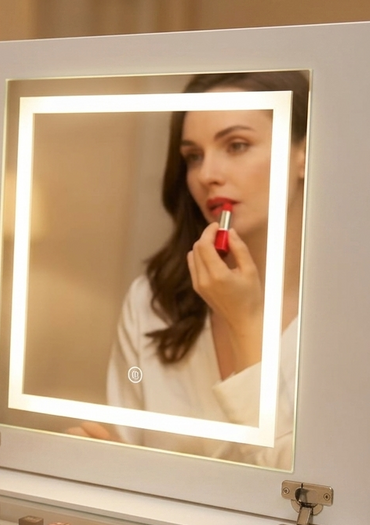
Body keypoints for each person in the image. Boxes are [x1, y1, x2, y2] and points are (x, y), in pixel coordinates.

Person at [97, 71, 308, 468]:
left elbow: (309, 496)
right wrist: (98, 456)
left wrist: (245, 323)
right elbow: (129, 457)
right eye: (193, 155)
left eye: (237, 145)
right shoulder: (151, 301)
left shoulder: (352, 314)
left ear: (303, 154)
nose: (207, 174)